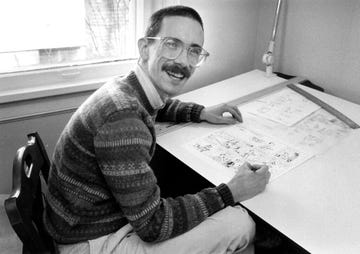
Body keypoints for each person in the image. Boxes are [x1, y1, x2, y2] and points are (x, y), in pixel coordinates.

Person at [44, 5, 271, 254]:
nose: (183, 61)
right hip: (89, 240)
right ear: (145, 48)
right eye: (172, 44)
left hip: (80, 220)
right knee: (240, 223)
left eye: (194, 51)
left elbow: (157, 105)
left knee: (180, 184)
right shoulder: (123, 121)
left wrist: (199, 112)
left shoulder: (127, 88)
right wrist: (231, 192)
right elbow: (153, 225)